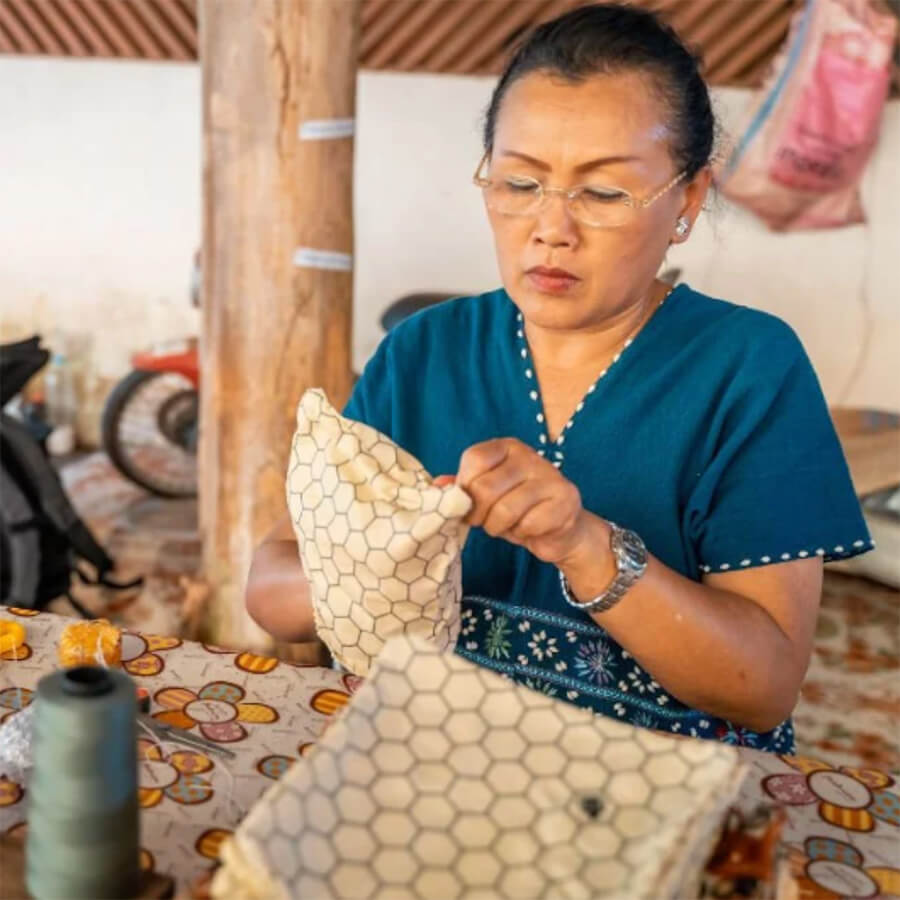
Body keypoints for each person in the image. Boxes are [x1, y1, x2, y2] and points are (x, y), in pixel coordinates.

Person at [246, 3, 871, 751]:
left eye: (603, 193)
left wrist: (584, 545)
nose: (551, 228)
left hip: (657, 794)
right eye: (519, 183)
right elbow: (271, 586)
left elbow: (764, 686)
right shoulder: (422, 353)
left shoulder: (748, 369)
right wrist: (377, 567)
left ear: (689, 201)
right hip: (433, 779)